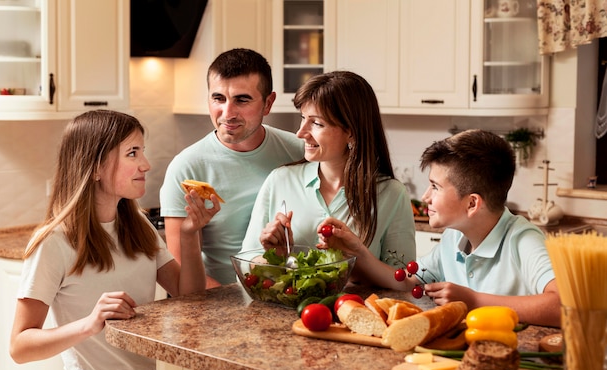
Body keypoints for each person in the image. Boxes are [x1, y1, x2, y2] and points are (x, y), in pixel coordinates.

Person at [9, 110, 219, 370]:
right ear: (95, 167)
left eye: (142, 152)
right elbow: (20, 346)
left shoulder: (137, 225)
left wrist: (189, 236)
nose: (145, 165)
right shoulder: (55, 242)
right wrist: (89, 323)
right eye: (132, 153)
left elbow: (190, 297)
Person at [240, 70, 416, 289]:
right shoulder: (280, 181)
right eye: (303, 119)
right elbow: (247, 269)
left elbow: (407, 282)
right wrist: (274, 256)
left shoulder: (391, 194)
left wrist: (358, 255)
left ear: (351, 132)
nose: (300, 132)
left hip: (354, 318)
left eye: (317, 123)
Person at [160, 48, 304, 287]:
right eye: (218, 98)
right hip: (220, 303)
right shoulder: (186, 169)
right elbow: (180, 273)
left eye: (242, 99)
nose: (227, 113)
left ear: (268, 103)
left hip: (292, 293)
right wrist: (239, 304)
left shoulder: (299, 152)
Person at [404, 129, 560, 327]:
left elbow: (563, 306)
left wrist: (475, 301)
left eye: (435, 187)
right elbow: (409, 279)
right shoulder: (453, 236)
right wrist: (360, 254)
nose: (426, 197)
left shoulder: (524, 240)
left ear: (472, 204)